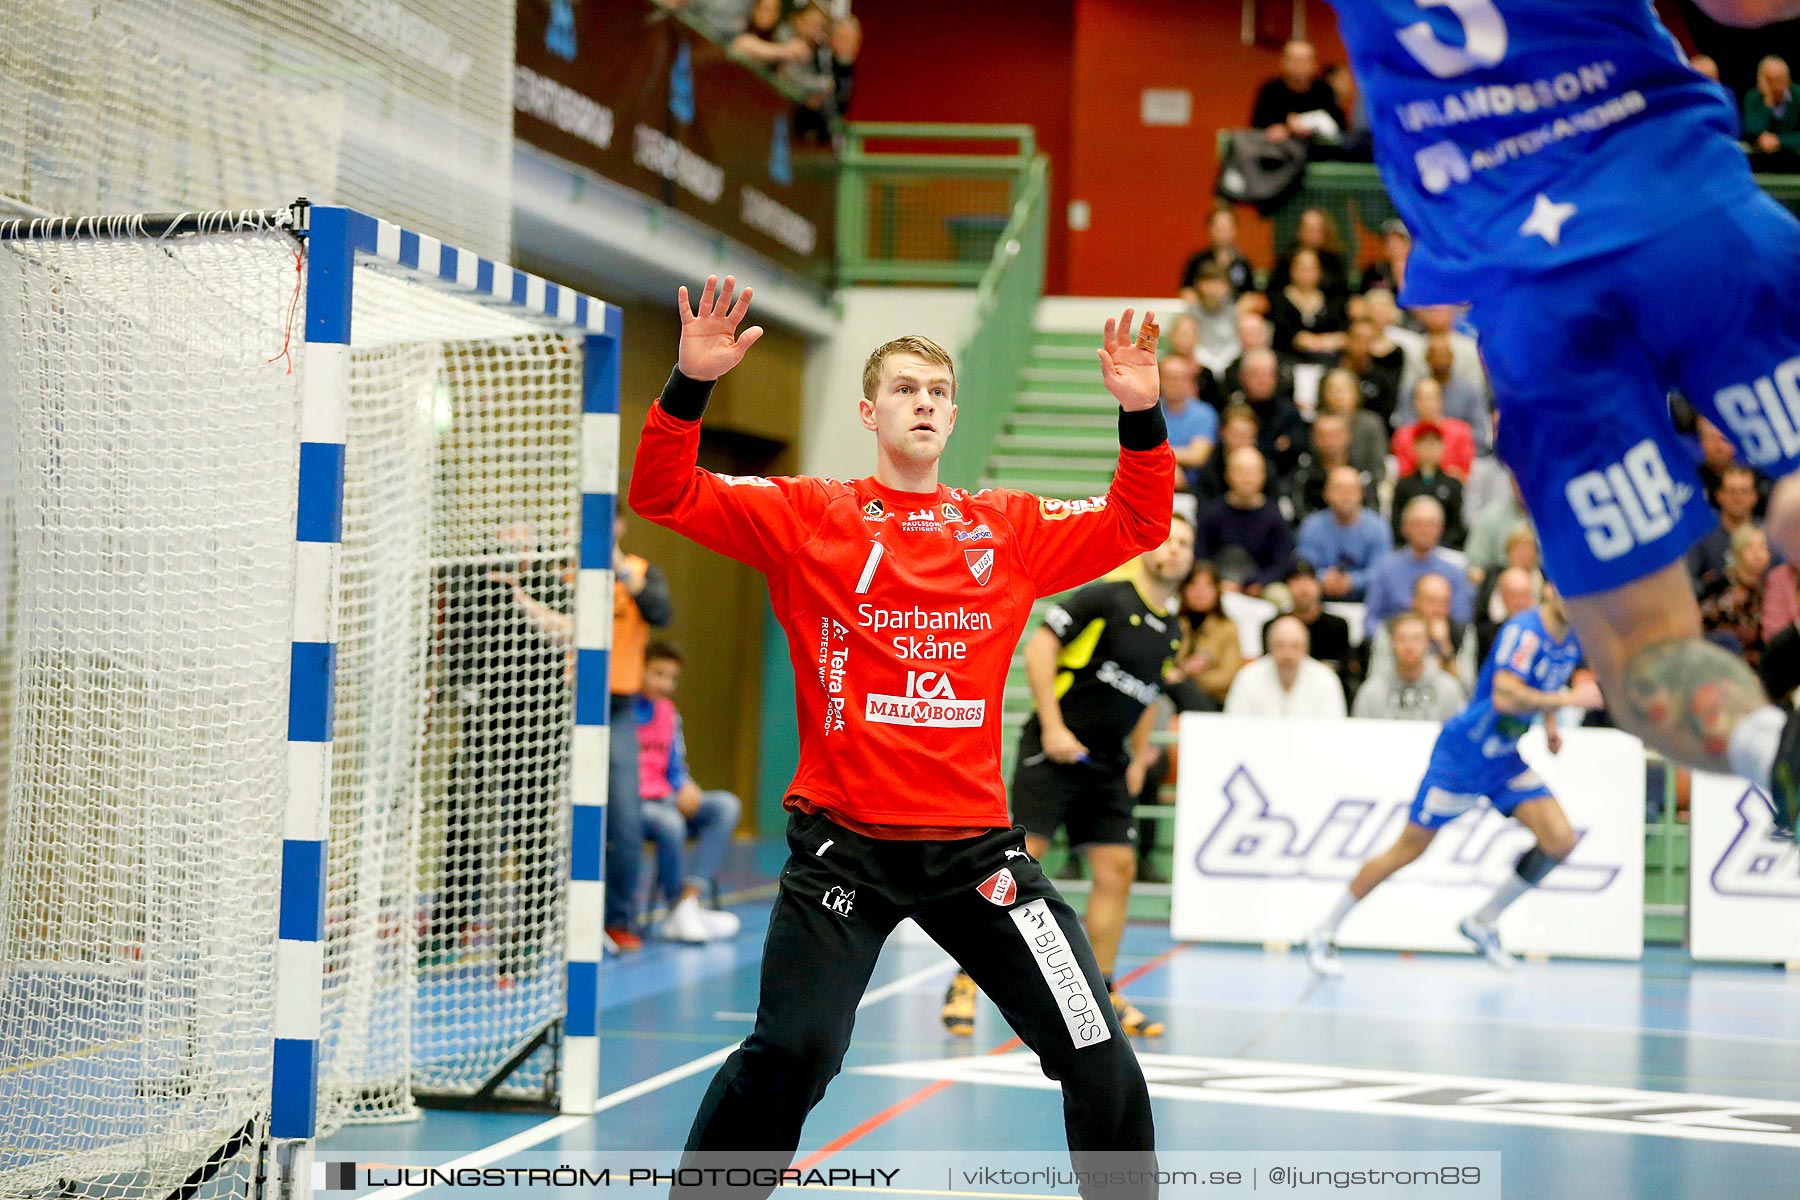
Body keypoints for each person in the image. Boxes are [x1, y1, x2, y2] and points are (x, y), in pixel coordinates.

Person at [630, 277, 1167, 1193]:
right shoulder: (811, 516)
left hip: (978, 859)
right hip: (845, 854)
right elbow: (663, 493)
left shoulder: (1008, 527)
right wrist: (688, 384)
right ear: (870, 410)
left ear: (954, 415)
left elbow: (1138, 519)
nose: (923, 403)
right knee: (794, 1054)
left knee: (1093, 1043)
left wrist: (1143, 415)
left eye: (937, 392)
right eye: (905, 389)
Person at [1327, 0, 1800, 837]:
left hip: (1541, 311)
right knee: (1793, 502)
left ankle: (1773, 749)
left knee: (1643, 661)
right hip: (1691, 213)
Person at [940, 519, 1195, 1041]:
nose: (1176, 550)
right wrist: (1053, 726)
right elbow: (1039, 647)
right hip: (1054, 751)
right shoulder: (1105, 597)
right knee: (1013, 868)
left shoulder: (1171, 628)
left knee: (1117, 868)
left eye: (1186, 544)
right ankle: (965, 979)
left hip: (1105, 764)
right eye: (1169, 539)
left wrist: (1139, 754)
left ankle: (1103, 991)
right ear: (1150, 548)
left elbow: (1147, 693)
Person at [635, 643, 746, 943]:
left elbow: (674, 767)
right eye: (658, 674)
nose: (665, 684)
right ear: (638, 668)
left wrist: (685, 785)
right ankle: (674, 909)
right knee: (670, 822)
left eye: (671, 678)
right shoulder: (621, 710)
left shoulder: (668, 713)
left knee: (725, 805)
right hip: (635, 804)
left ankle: (688, 902)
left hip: (666, 797)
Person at [603, 516, 674, 949]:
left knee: (626, 821)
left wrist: (619, 568)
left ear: (620, 526)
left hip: (618, 707)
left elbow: (661, 612)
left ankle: (619, 919)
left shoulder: (640, 571)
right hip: (561, 705)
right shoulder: (560, 573)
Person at [1193, 445, 1294, 594]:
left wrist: (1259, 582)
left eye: (1252, 472)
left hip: (1259, 588)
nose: (1247, 478)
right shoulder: (1211, 513)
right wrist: (1217, 581)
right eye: (1240, 471)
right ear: (1227, 474)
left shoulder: (1274, 516)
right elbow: (1200, 555)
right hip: (1215, 586)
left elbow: (1282, 562)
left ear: (1263, 476)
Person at [1365, 496, 1473, 626]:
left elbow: (1462, 621)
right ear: (1404, 528)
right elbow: (1370, 620)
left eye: (1431, 524)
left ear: (1441, 528)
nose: (1424, 530)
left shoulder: (1455, 573)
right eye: (1418, 523)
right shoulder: (1385, 569)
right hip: (1392, 639)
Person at [1297, 465, 1392, 603]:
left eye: (1351, 489)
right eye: (1339, 488)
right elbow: (1304, 566)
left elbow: (1380, 572)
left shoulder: (1378, 528)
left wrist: (1351, 582)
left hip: (1365, 601)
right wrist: (1324, 578)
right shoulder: (1311, 526)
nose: (1345, 495)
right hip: (1319, 600)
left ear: (1361, 494)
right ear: (1326, 493)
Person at [1224, 615, 1348, 718]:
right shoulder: (1248, 677)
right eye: (1280, 645)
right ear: (1269, 647)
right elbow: (1235, 726)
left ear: (1306, 648)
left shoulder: (1326, 679)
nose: (1287, 654)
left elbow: (1333, 730)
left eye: (1295, 646)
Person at [1353, 612, 1465, 722]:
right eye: (1402, 638)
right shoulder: (1371, 691)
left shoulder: (1448, 688)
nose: (1409, 646)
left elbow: (1458, 733)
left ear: (1428, 642)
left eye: (1416, 639)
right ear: (1392, 642)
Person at [1164, 560, 1244, 711]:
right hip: (1171, 695)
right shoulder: (1173, 623)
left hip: (1213, 700)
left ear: (1217, 591)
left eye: (1207, 585)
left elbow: (1228, 677)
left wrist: (1187, 677)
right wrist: (1181, 671)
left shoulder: (1227, 628)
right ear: (1183, 589)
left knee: (1183, 689)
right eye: (1193, 584)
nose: (1200, 592)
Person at [1264, 559, 1353, 686]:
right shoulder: (1274, 627)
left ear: (1319, 585)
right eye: (1296, 580)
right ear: (1287, 586)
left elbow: (1343, 674)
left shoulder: (1338, 627)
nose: (1303, 587)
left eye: (1309, 580)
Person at [1700, 525, 1773, 671]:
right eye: (1750, 548)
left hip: (1762, 667)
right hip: (1718, 663)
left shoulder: (1772, 588)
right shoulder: (1717, 586)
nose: (1758, 555)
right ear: (1738, 552)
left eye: (1763, 548)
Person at [1251, 40, 1345, 146]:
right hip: (1279, 150)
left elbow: (1340, 127)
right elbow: (1257, 126)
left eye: (1307, 60)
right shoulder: (1271, 90)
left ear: (1314, 64)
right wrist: (1286, 128)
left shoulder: (1324, 91)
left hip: (1319, 151)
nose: (1301, 66)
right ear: (1283, 62)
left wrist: (1311, 127)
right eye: (1296, 60)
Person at [1390, 426, 1467, 549]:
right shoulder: (1404, 484)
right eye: (1424, 444)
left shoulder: (1453, 484)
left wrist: (1438, 545)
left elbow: (1457, 525)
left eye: (1434, 444)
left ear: (1442, 448)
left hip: (1445, 549)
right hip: (1409, 549)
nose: (1429, 449)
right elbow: (1397, 523)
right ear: (1415, 448)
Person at [1688, 464, 1761, 584]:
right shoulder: (1702, 534)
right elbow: (1689, 581)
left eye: (1744, 491)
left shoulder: (1770, 534)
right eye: (1732, 492)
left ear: (1754, 496)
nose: (1738, 499)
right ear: (1719, 496)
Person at [1159, 355, 1218, 492]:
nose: (1174, 383)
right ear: (1160, 380)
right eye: (1169, 377)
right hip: (1153, 480)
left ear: (1190, 381)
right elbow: (1139, 452)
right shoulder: (1148, 412)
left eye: (1179, 378)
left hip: (1195, 486)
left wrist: (1162, 459)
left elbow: (1197, 456)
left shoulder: (1205, 413)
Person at [1179, 207, 1257, 303]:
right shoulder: (1197, 261)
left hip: (1234, 314)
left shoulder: (1243, 263)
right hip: (1202, 313)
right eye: (1219, 228)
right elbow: (1185, 291)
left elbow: (1252, 295)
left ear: (1235, 230)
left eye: (1227, 228)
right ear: (1210, 229)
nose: (1223, 233)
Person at [1744, 54, 1800, 172]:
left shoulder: (1798, 96)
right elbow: (1752, 130)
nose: (1776, 85)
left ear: (1788, 78)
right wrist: (1767, 101)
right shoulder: (1753, 97)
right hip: (1762, 165)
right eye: (1770, 80)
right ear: (1761, 80)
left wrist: (1779, 141)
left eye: (1780, 79)